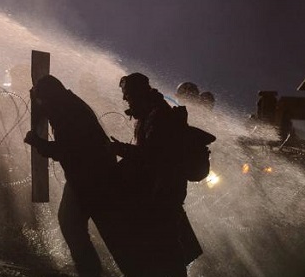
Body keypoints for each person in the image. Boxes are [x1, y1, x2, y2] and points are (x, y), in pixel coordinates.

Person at [24, 75, 134, 277]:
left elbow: (66, 150)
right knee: (83, 225)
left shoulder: (66, 112)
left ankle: (92, 271)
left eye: (43, 101)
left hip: (91, 179)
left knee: (78, 225)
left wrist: (37, 142)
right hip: (90, 176)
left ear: (50, 97)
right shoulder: (67, 104)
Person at [109, 72, 201, 277]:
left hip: (164, 191)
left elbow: (151, 155)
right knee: (163, 246)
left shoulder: (157, 116)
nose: (124, 99)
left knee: (166, 246)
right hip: (160, 190)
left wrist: (120, 150)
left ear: (138, 92)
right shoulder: (150, 113)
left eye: (127, 94)